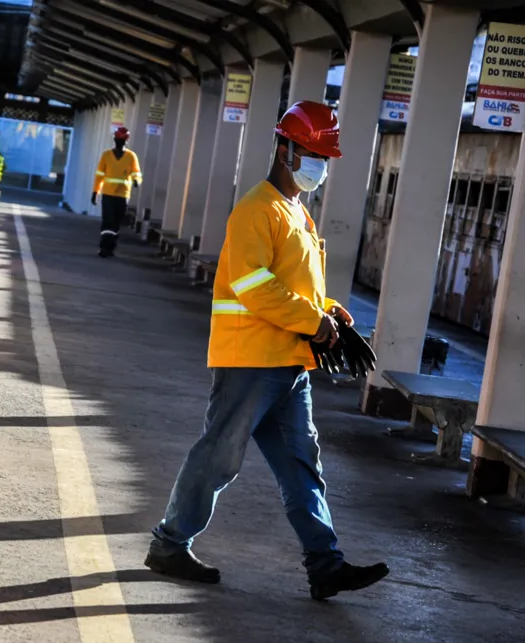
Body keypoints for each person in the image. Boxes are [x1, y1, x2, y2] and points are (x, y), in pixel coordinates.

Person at [143, 101, 390, 601]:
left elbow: (290, 282)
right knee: (219, 457)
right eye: (313, 153)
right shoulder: (258, 209)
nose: (320, 165)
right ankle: (169, 545)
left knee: (303, 465)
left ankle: (325, 564)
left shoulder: (296, 210)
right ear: (285, 149)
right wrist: (312, 320)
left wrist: (330, 311)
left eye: (324, 155)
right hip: (251, 361)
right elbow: (254, 285)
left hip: (289, 362)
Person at [91, 126, 142, 258]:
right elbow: (99, 175)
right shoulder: (106, 155)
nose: (120, 143)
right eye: (119, 140)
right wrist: (95, 192)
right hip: (108, 194)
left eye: (123, 141)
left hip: (123, 195)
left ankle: (111, 247)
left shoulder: (131, 156)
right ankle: (104, 247)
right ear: (115, 140)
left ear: (126, 141)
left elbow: (136, 172)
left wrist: (137, 180)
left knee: (116, 222)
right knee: (107, 221)